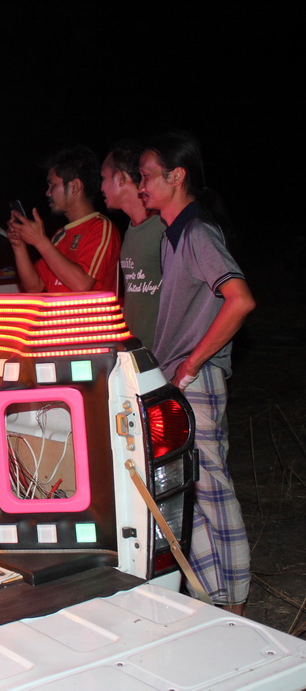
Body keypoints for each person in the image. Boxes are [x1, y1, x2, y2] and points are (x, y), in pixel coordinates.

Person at [139, 132, 255, 615]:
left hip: (197, 380)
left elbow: (240, 300)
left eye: (147, 176)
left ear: (177, 175)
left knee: (213, 493)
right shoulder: (174, 236)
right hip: (181, 381)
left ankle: (236, 603)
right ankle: (214, 601)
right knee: (190, 493)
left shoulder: (199, 234)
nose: (141, 185)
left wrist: (191, 363)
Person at [7, 146, 119, 293]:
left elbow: (82, 285)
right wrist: (19, 246)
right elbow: (34, 287)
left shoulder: (101, 227)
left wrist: (40, 241)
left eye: (52, 185)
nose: (48, 193)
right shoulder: (60, 235)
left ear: (74, 187)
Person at [102, 141, 166, 348]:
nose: (101, 187)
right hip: (137, 352)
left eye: (104, 178)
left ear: (120, 178)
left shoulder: (163, 227)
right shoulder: (131, 231)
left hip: (164, 354)